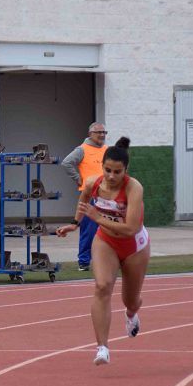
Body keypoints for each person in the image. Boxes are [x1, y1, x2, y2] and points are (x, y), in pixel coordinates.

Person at [56, 138, 148, 366]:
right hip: (106, 241)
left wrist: (97, 218)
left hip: (134, 245)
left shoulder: (133, 188)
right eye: (107, 170)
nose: (111, 176)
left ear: (126, 170)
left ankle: (131, 314)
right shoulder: (93, 183)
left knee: (131, 299)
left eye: (117, 172)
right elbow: (84, 197)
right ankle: (102, 347)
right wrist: (74, 223)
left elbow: (131, 228)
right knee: (102, 286)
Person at [61, 122, 109, 271]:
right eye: (98, 132)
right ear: (90, 134)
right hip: (91, 196)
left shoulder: (108, 150)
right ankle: (84, 261)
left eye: (104, 132)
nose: (101, 135)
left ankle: (108, 260)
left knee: (109, 230)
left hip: (108, 196)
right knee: (88, 230)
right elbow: (66, 163)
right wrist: (78, 179)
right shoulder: (82, 150)